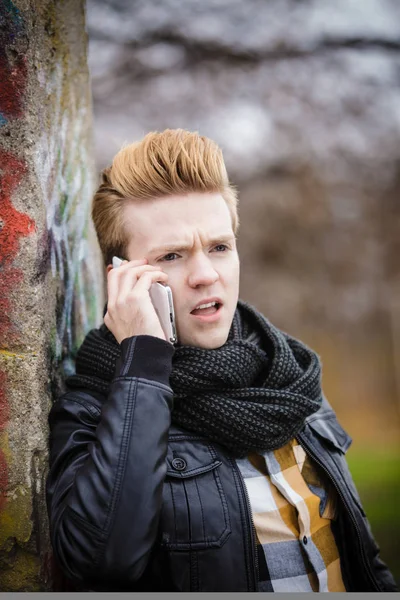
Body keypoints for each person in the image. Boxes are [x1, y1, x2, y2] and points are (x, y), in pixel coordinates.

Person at [46, 128, 397, 592]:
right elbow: (100, 562)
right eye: (172, 255)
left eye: (219, 247)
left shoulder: (286, 373)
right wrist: (144, 366)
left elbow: (362, 556)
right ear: (123, 279)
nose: (206, 275)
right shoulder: (94, 410)